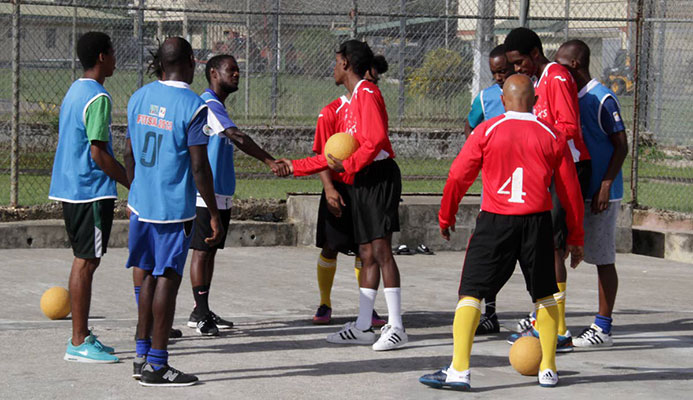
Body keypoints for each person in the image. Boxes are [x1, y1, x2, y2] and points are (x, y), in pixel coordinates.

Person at [419, 74, 585, 391]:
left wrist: (446, 214)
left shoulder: (488, 130)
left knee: (471, 293)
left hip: (495, 221)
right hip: (537, 222)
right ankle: (548, 369)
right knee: (544, 295)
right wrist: (576, 238)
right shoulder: (553, 135)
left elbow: (457, 175)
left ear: (504, 101)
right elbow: (570, 192)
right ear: (536, 102)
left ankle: (459, 371)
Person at [277, 40, 407, 351]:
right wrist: (294, 166)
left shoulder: (368, 93)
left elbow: (375, 141)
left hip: (379, 178)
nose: (333, 68)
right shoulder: (349, 104)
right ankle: (363, 326)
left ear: (346, 63)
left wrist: (348, 165)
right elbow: (331, 156)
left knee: (381, 251)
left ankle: (397, 326)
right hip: (361, 179)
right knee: (365, 253)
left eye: (336, 62)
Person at [124, 37, 222, 387]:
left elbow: (129, 154)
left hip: (141, 206)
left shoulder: (139, 97)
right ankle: (158, 364)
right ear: (192, 62)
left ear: (161, 64)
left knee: (147, 276)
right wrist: (212, 211)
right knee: (167, 279)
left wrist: (138, 189)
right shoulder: (193, 106)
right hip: (171, 211)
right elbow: (199, 167)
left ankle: (140, 355)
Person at [186, 54, 289, 335]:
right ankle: (199, 314)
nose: (236, 74)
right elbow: (236, 136)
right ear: (213, 74)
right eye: (230, 70)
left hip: (220, 192)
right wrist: (269, 161)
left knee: (210, 253)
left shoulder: (217, 105)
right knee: (201, 251)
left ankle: (202, 309)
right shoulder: (208, 103)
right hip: (203, 194)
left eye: (238, 70)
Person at [504, 27, 591, 350]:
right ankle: (547, 318)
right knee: (544, 246)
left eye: (519, 62)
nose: (516, 70)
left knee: (553, 248)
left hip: (566, 167)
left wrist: (535, 139)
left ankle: (559, 329)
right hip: (549, 168)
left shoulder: (555, 77)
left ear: (535, 55)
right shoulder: (540, 81)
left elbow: (568, 127)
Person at [49, 31, 129, 364]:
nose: (115, 58)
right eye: (112, 53)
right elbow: (98, 153)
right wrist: (131, 181)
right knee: (86, 262)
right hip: (89, 190)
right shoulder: (98, 97)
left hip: (70, 187)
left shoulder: (74, 90)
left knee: (85, 259)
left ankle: (82, 336)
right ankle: (78, 341)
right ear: (101, 57)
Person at [306, 55, 388, 327]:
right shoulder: (332, 111)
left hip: (363, 186)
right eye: (369, 78)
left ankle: (367, 308)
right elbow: (321, 154)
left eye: (375, 80)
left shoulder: (368, 103)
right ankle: (324, 302)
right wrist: (329, 188)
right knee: (330, 246)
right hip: (338, 185)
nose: (371, 84)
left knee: (362, 250)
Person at [555, 40, 627, 348]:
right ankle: (551, 321)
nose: (554, 69)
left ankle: (603, 327)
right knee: (556, 252)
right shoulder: (567, 95)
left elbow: (621, 145)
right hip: (575, 189)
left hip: (600, 194)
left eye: (560, 63)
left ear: (574, 65)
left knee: (601, 258)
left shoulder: (602, 98)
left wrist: (606, 184)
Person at [463, 44, 514, 335]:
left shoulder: (527, 93)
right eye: (494, 72)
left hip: (525, 189)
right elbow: (470, 126)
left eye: (503, 71)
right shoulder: (486, 97)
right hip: (494, 188)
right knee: (491, 251)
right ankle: (490, 314)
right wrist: (478, 151)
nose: (498, 77)